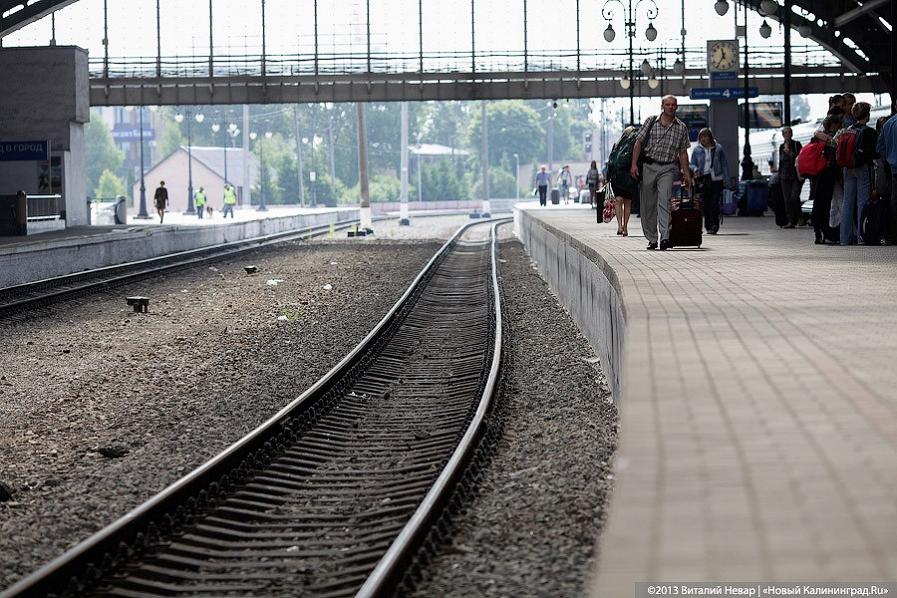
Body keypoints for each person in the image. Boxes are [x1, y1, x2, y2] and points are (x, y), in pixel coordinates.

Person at [630, 94, 692, 250]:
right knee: (648, 205)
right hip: (649, 167)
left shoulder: (681, 127)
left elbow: (683, 152)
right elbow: (638, 143)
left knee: (664, 200)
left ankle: (665, 237)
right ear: (662, 106)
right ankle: (652, 238)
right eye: (668, 104)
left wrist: (686, 173)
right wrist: (633, 165)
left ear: (676, 107)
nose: (671, 107)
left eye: (673, 105)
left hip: (668, 168)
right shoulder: (651, 122)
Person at [839, 102, 878, 245]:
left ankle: (844, 238)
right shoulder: (869, 132)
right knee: (862, 203)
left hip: (847, 168)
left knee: (847, 203)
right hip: (862, 168)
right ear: (867, 115)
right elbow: (875, 152)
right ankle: (862, 237)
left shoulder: (847, 130)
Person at [689, 127, 732, 235]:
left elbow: (724, 165)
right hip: (704, 179)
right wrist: (695, 169)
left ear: (710, 137)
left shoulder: (718, 148)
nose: (703, 139)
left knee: (715, 202)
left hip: (717, 179)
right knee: (706, 204)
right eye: (701, 137)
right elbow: (691, 163)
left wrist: (727, 181)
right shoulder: (697, 150)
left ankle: (714, 225)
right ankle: (708, 226)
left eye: (705, 136)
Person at [807, 115, 842, 245]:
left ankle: (818, 233)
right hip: (827, 174)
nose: (839, 127)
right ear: (832, 125)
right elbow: (834, 157)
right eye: (837, 124)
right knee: (825, 205)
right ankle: (825, 232)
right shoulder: (831, 139)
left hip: (816, 175)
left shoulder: (816, 138)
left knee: (818, 204)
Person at [875, 109, 897, 243]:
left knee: (895, 201)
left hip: (894, 169)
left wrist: (889, 158)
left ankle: (894, 234)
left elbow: (879, 147)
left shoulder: (888, 124)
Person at [778, 126, 804, 227]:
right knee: (787, 200)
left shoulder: (796, 145)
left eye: (789, 132)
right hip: (784, 176)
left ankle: (800, 216)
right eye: (785, 133)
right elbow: (781, 162)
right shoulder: (781, 147)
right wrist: (779, 175)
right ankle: (791, 221)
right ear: (783, 135)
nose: (787, 134)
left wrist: (790, 154)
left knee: (794, 197)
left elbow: (800, 158)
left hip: (796, 176)